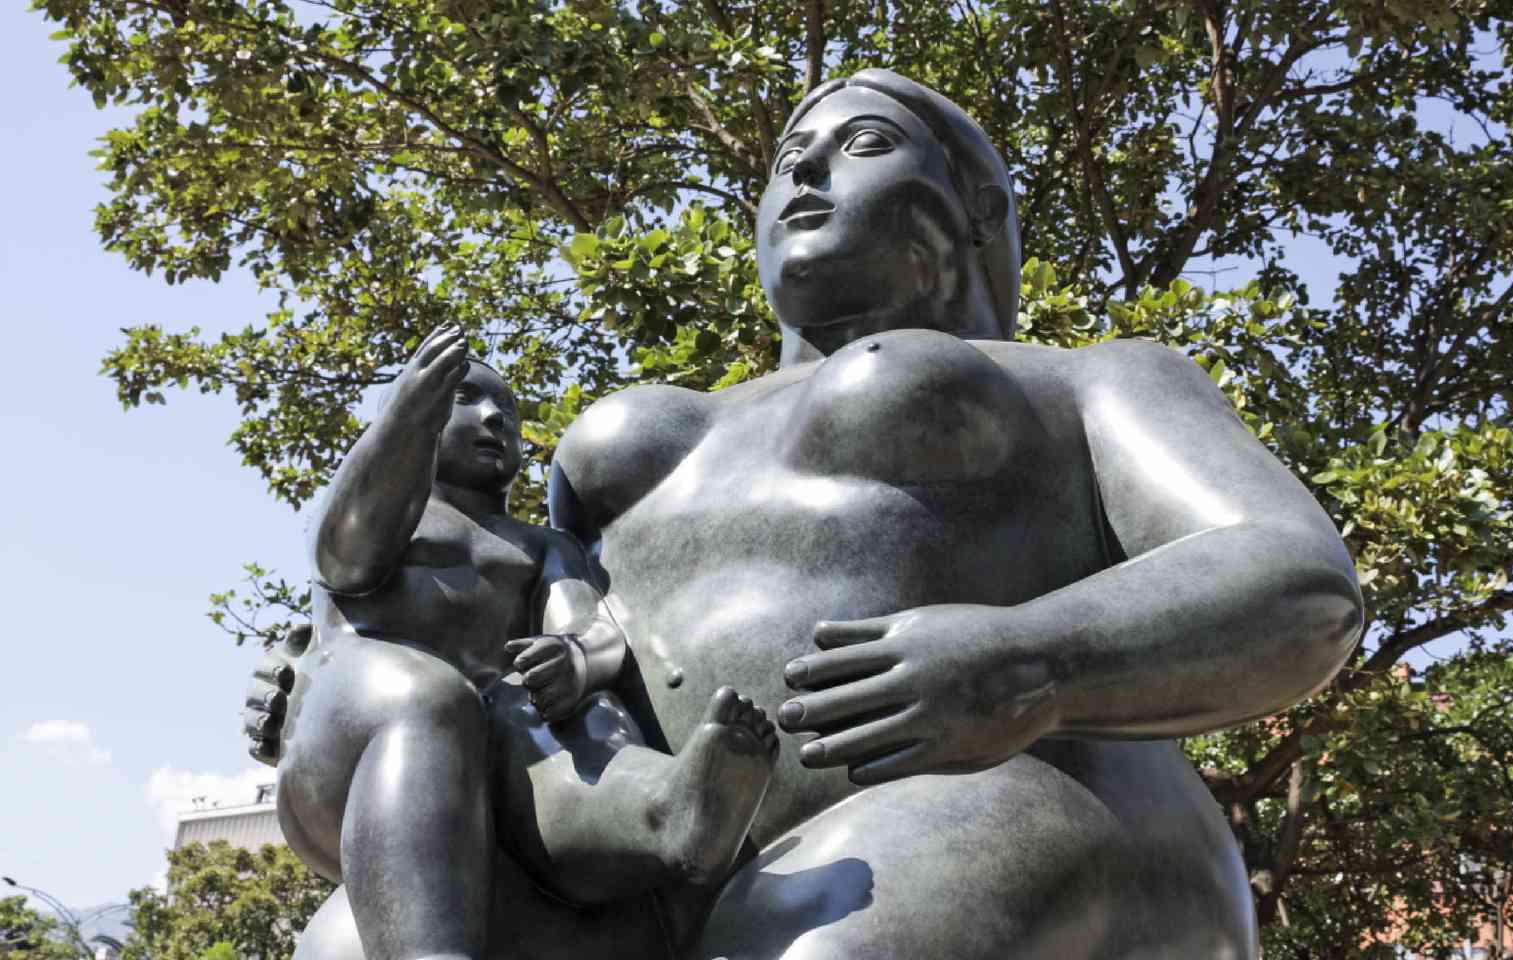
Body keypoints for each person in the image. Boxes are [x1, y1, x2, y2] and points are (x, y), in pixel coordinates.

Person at [249, 69, 1364, 959]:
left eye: (862, 144)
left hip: (1004, 810)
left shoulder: (1087, 375)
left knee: (810, 944)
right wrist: (343, 668)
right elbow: (526, 633)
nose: (807, 178)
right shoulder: (647, 432)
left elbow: (1293, 579)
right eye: (788, 164)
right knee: (357, 937)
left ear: (975, 208)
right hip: (644, 869)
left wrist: (1027, 655)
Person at [267, 323, 777, 960]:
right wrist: (404, 423)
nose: (493, 419)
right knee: (426, 696)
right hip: (354, 742)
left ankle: (667, 814)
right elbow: (346, 556)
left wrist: (574, 659)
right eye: (465, 398)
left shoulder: (541, 546)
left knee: (562, 715)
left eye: (507, 412)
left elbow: (590, 623)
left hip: (491, 745)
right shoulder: (384, 514)